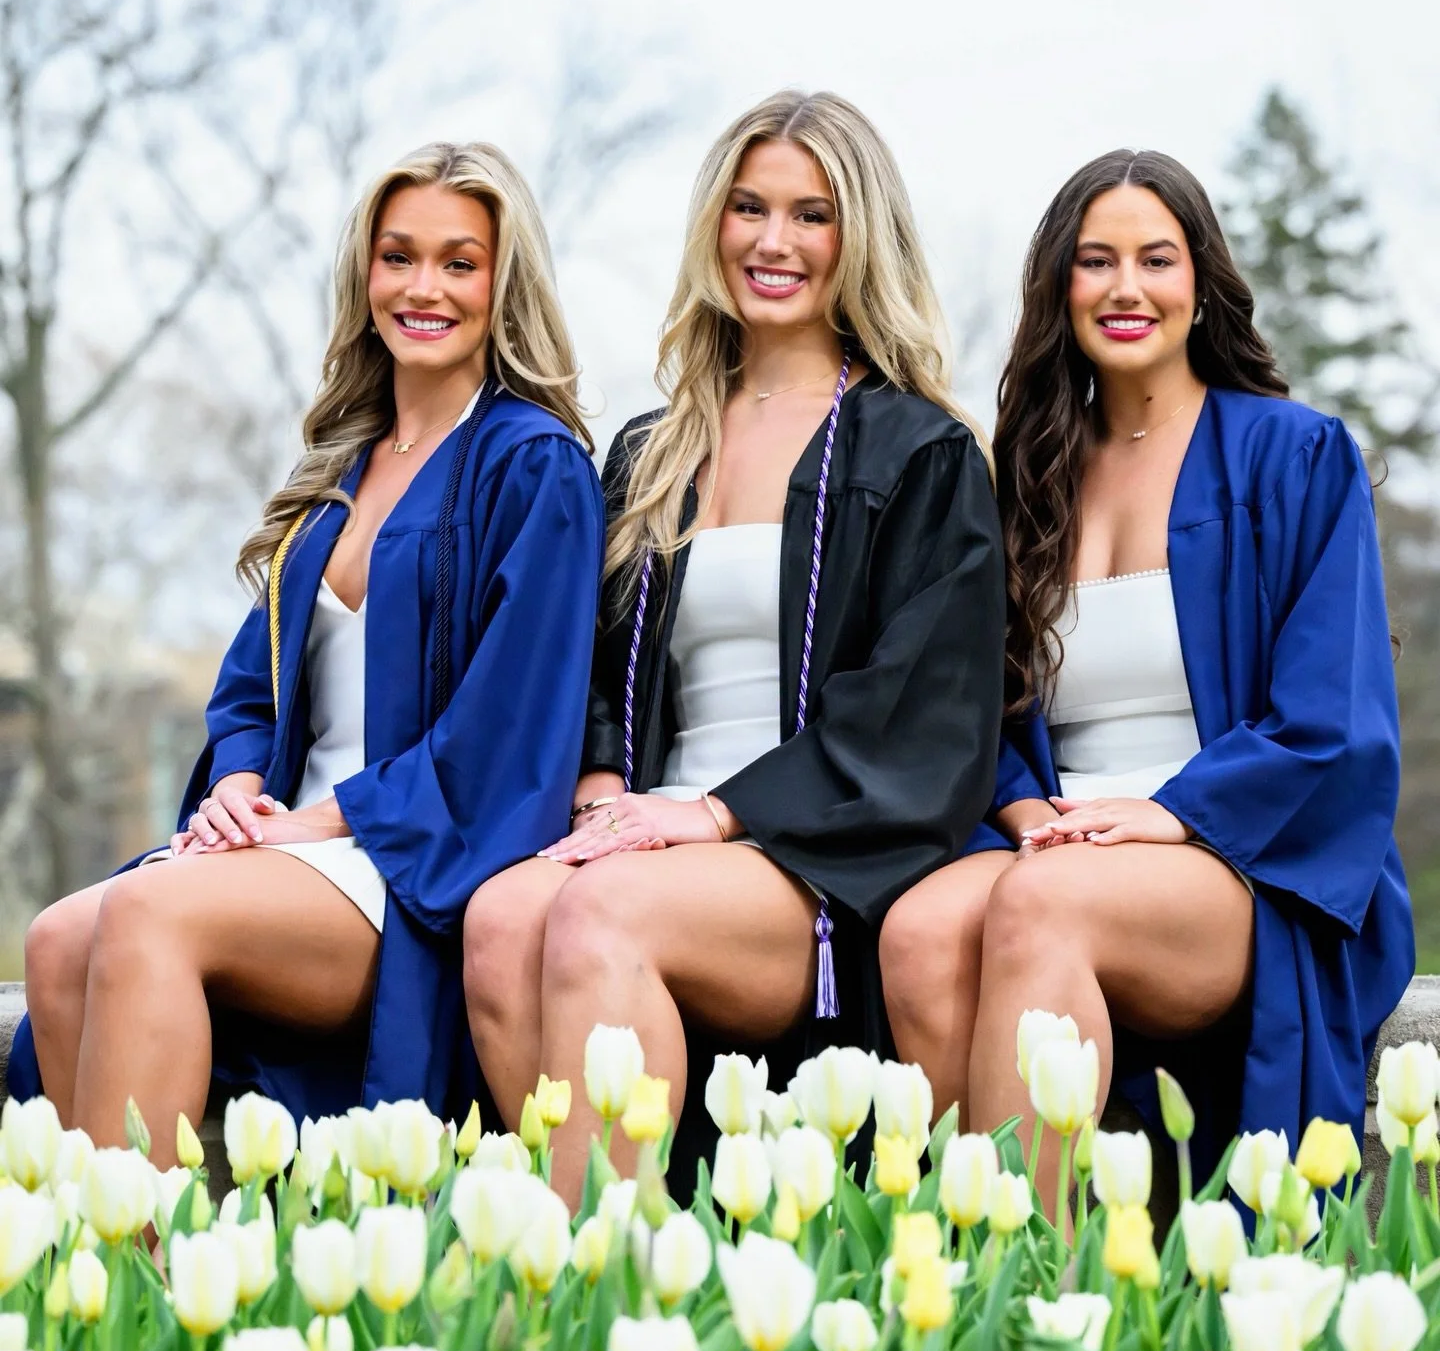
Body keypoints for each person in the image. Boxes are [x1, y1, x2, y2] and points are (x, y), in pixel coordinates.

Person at [465, 90, 1006, 1202]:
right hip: (657, 829)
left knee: (598, 912)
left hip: (816, 854)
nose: (774, 242)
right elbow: (593, 664)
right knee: (500, 914)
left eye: (812, 215)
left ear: (860, 238)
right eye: (749, 207)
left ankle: (617, 1291)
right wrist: (611, 792)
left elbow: (920, 714)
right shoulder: (654, 450)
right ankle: (590, 1246)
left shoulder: (918, 453)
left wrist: (713, 814)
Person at [14, 142, 606, 1156]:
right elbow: (251, 691)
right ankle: (90, 1293)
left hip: (413, 865)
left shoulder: (533, 466)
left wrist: (318, 826)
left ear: (504, 285)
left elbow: (506, 738)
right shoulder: (339, 471)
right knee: (56, 936)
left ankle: (137, 1286)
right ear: (364, 272)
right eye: (398, 256)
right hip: (296, 844)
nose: (424, 288)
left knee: (150, 915)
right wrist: (240, 788)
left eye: (460, 262)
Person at [879, 149, 1414, 1193]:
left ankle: (1029, 1291)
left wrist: (1175, 812)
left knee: (1043, 906)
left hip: (1241, 859)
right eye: (1096, 262)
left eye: (1156, 259)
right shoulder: (1030, 476)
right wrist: (1025, 810)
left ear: (1201, 281)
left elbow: (1334, 716)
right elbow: (974, 706)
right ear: (1059, 288)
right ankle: (979, 1279)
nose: (1127, 288)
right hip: (1061, 841)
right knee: (919, 930)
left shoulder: (1292, 456)